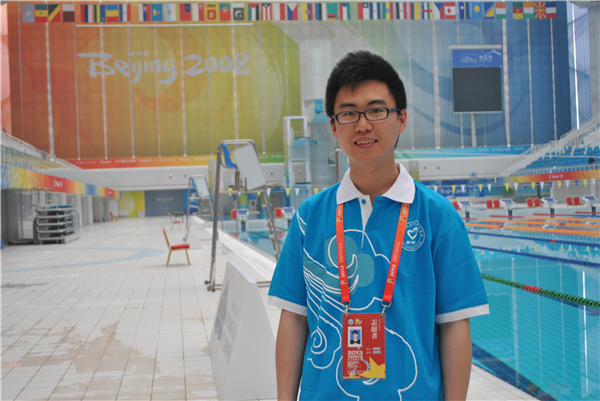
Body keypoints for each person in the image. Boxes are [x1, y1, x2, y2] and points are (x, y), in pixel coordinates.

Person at [268, 51, 489, 400]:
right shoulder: (310, 217)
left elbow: (455, 324)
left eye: (376, 110)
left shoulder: (438, 217)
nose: (363, 125)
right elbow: (294, 318)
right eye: (348, 113)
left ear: (401, 119)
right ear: (333, 127)